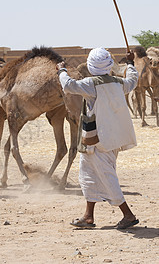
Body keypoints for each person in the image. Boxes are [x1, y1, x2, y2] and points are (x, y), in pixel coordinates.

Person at [56, 47, 139, 229]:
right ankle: (88, 216)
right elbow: (133, 80)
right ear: (109, 66)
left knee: (106, 176)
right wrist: (131, 63)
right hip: (109, 138)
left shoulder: (90, 84)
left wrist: (62, 70)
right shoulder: (119, 83)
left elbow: (68, 85)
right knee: (88, 173)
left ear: (91, 66)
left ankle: (128, 215)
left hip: (98, 139)